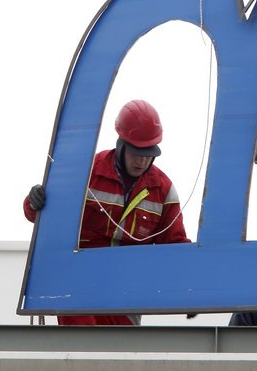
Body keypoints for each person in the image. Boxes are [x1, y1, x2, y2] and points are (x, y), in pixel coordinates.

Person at [23, 99, 190, 326]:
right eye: (136, 152)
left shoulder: (163, 190)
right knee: (82, 349)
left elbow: (175, 246)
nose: (142, 161)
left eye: (149, 154)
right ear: (120, 144)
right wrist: (34, 202)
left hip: (126, 290)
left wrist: (190, 286)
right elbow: (45, 219)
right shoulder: (86, 173)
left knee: (123, 353)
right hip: (78, 282)